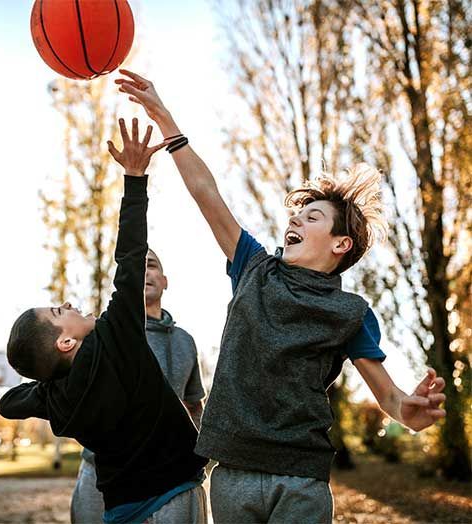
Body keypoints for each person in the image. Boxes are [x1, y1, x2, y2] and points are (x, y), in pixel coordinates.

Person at [115, 70, 447, 524]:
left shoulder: (351, 314)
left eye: (312, 217)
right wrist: (165, 119)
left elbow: (390, 398)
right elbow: (207, 194)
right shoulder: (254, 267)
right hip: (232, 471)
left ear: (340, 244)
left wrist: (409, 410)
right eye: (298, 214)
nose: (296, 221)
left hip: (301, 479)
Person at [0, 118, 208, 524]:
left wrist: (48, 383)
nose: (69, 303)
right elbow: (130, 254)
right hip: (173, 493)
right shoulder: (117, 337)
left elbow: (8, 404)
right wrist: (134, 177)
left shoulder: (56, 400)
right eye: (60, 312)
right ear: (65, 342)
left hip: (121, 508)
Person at [71, 247, 205, 523]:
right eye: (138, 266)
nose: (144, 271)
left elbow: (194, 404)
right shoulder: (100, 335)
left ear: (165, 281)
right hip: (102, 475)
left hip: (170, 480)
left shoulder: (185, 341)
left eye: (152, 265)